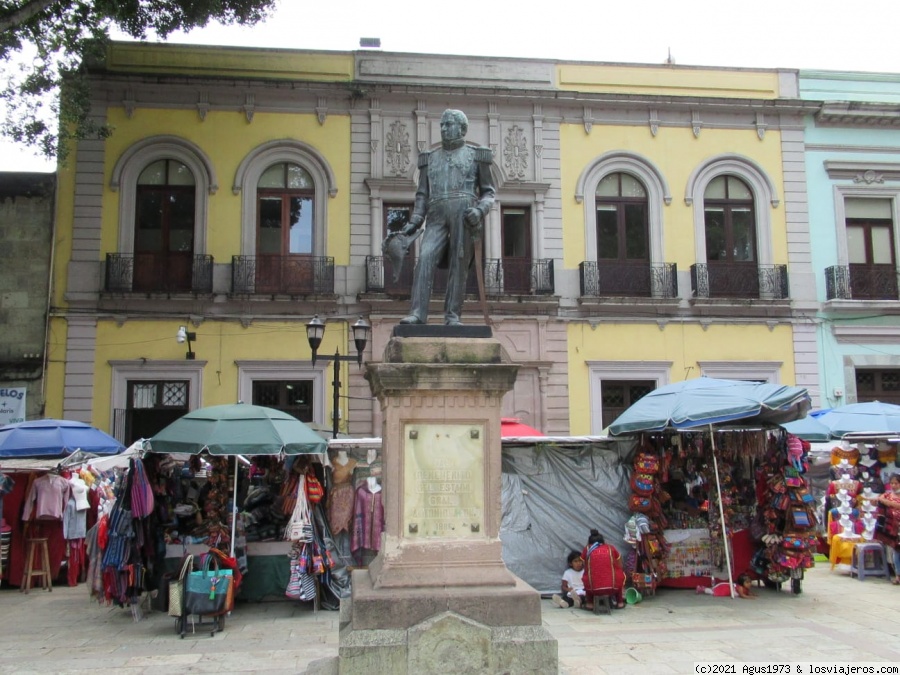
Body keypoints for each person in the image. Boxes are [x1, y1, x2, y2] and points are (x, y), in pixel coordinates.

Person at [395, 109, 496, 326]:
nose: (443, 129)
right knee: (424, 258)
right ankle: (417, 313)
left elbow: (489, 192)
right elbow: (422, 195)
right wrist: (414, 221)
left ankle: (452, 315)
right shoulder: (429, 160)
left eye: (448, 124)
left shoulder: (477, 156)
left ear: (462, 128)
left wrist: (479, 211)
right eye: (442, 125)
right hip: (436, 215)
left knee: (459, 264)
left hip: (464, 216)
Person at [581, 529, 626, 610]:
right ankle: (620, 603)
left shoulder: (587, 549)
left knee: (586, 576)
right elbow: (619, 564)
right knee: (619, 576)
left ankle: (589, 604)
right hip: (613, 588)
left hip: (593, 589)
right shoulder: (610, 548)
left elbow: (584, 566)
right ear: (603, 541)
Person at [877, 474, 900, 584]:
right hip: (894, 529)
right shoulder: (887, 495)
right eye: (892, 483)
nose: (894, 485)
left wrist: (884, 500)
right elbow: (877, 501)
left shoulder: (885, 497)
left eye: (896, 483)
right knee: (896, 551)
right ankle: (898, 575)